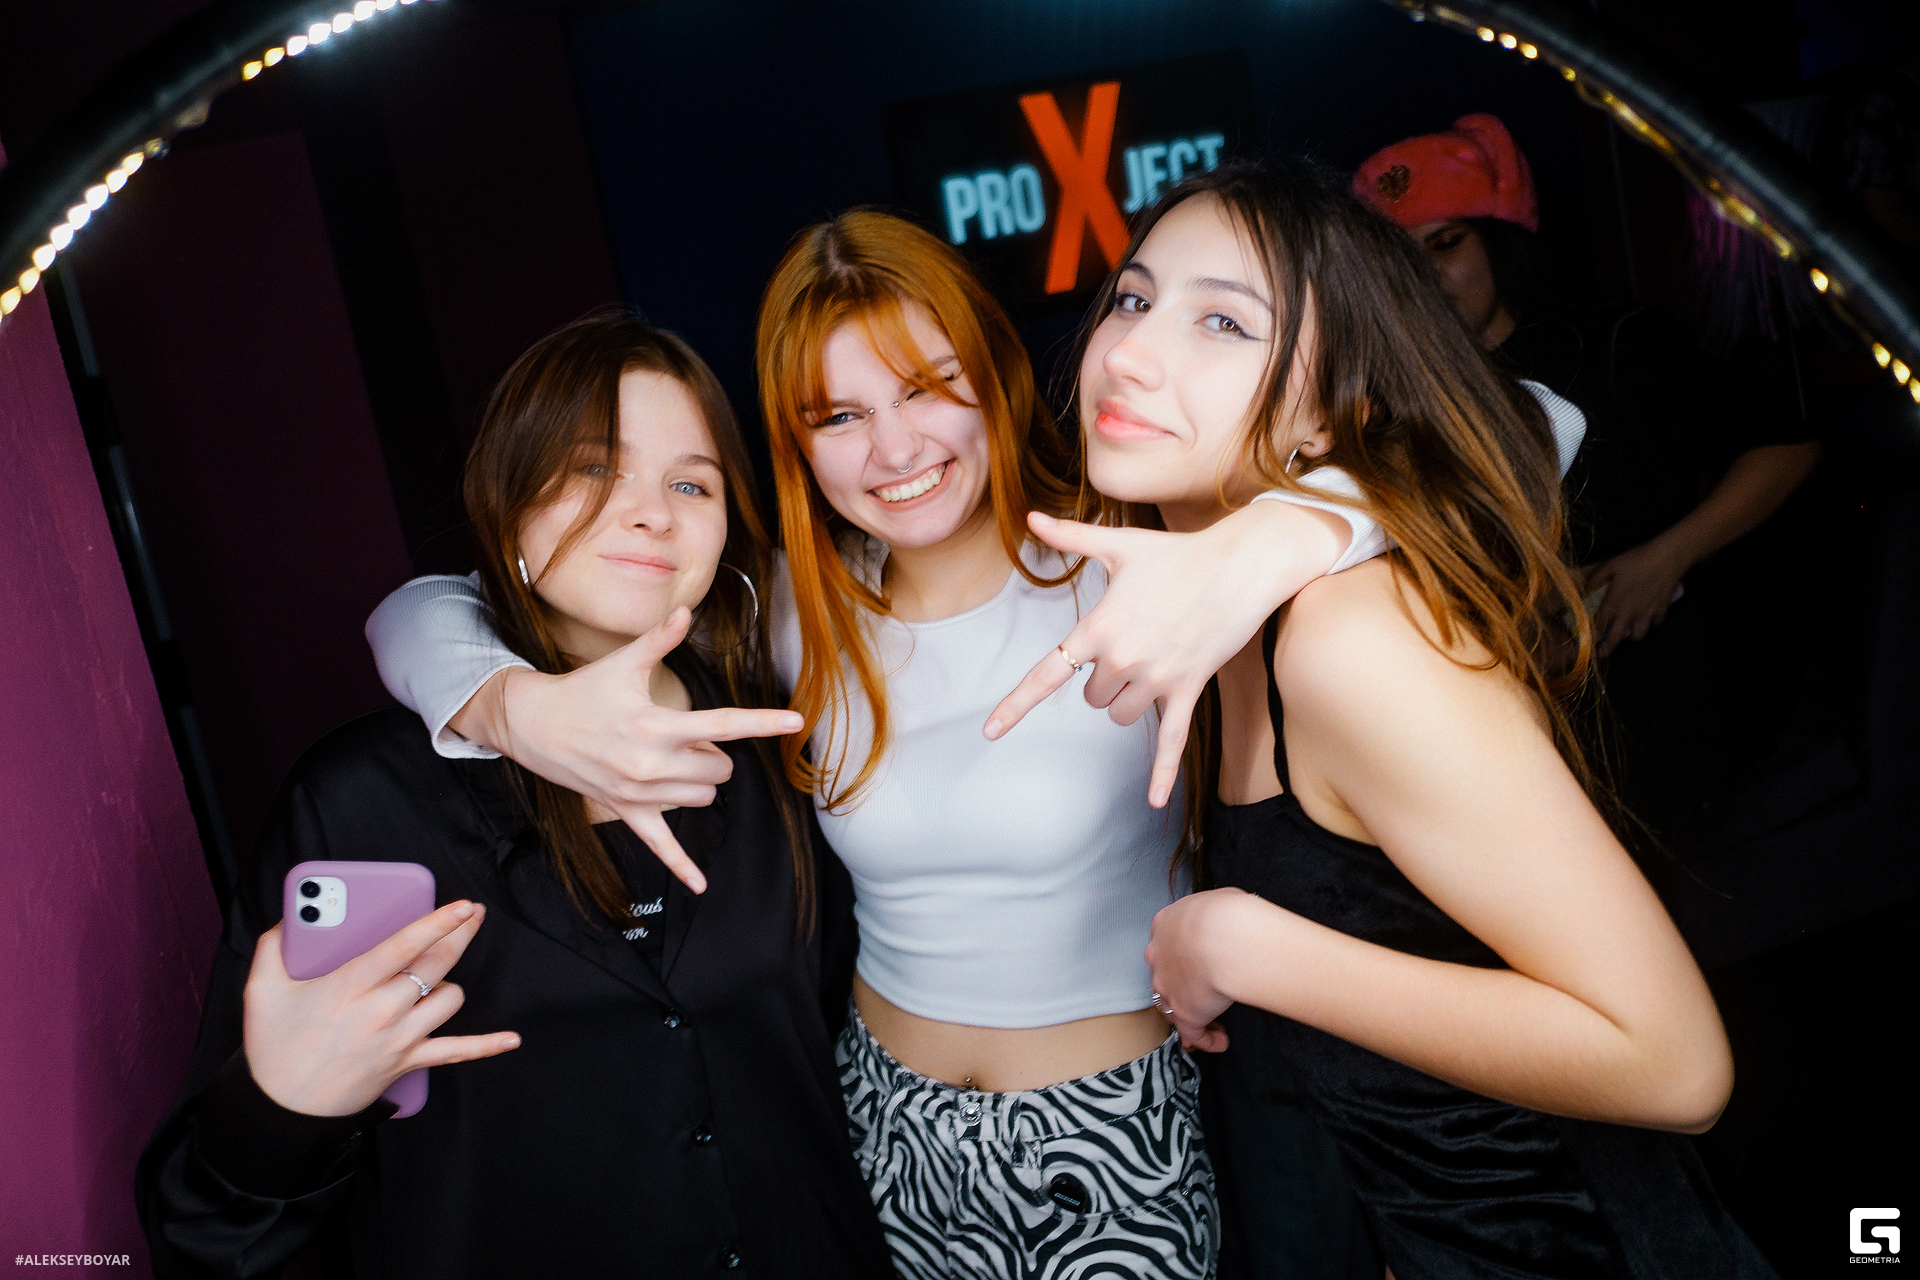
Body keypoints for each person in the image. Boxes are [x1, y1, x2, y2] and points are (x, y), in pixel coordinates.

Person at [363, 212, 1584, 1280]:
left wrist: (1284, 536)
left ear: (994, 374)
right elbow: (417, 612)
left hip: (1116, 1124)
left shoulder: (1140, 552)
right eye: (841, 416)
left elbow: (1542, 420)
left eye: (927, 388)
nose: (894, 450)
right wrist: (515, 709)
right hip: (883, 1124)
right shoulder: (795, 608)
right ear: (796, 446)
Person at [1109, 159, 1774, 1276]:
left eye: (1223, 321)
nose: (1130, 350)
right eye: (1133, 299)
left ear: (1332, 413)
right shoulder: (1217, 623)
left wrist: (1245, 946)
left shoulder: (1349, 637)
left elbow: (1674, 1064)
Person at [136, 313, 893, 1279]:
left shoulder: (784, 756)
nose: (651, 513)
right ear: (508, 498)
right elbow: (201, 1233)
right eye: (594, 468)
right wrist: (283, 1109)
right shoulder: (364, 802)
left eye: (691, 484)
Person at [1354, 113, 1822, 827]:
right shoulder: (1394, 409)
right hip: (1514, 714)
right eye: (1404, 261)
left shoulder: (1619, 343)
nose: (1430, 276)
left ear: (1498, 241)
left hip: (1668, 679)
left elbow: (1787, 446)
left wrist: (1667, 556)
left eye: (1447, 244)